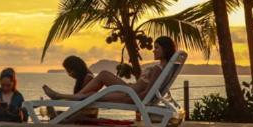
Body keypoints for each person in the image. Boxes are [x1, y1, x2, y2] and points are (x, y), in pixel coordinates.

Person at [42, 37, 177, 108]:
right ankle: (63, 97)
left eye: (157, 48)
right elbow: (149, 89)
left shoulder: (158, 70)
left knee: (98, 86)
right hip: (128, 90)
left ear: (165, 49)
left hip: (129, 94)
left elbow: (147, 92)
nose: (154, 50)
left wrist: (130, 100)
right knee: (99, 82)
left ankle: (60, 96)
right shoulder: (163, 69)